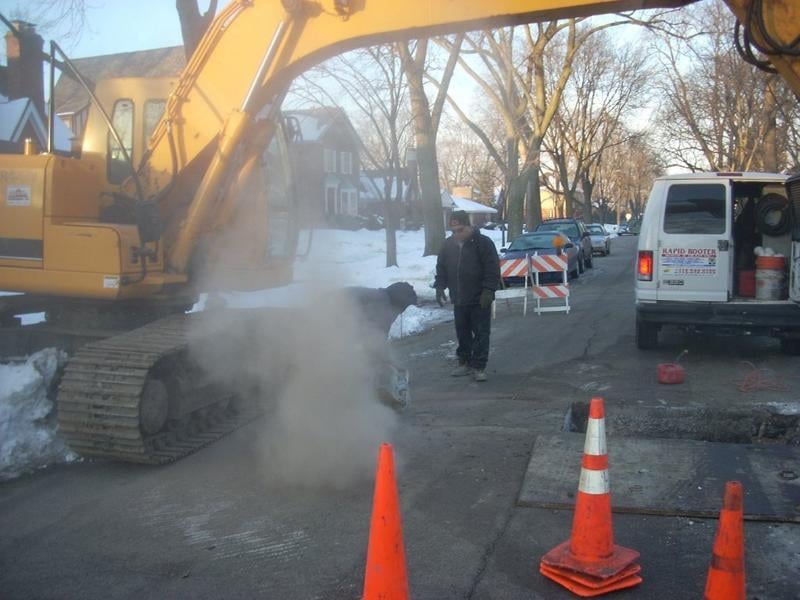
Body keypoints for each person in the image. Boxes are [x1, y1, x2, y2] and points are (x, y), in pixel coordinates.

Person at [434, 210, 501, 382]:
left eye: (460, 230)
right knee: (462, 332)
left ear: (469, 226)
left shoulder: (483, 243)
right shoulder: (447, 245)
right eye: (453, 230)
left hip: (479, 297)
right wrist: (440, 287)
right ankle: (464, 362)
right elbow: (441, 267)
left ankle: (478, 366)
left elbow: (492, 269)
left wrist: (488, 290)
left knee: (481, 333)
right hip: (459, 297)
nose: (457, 234)